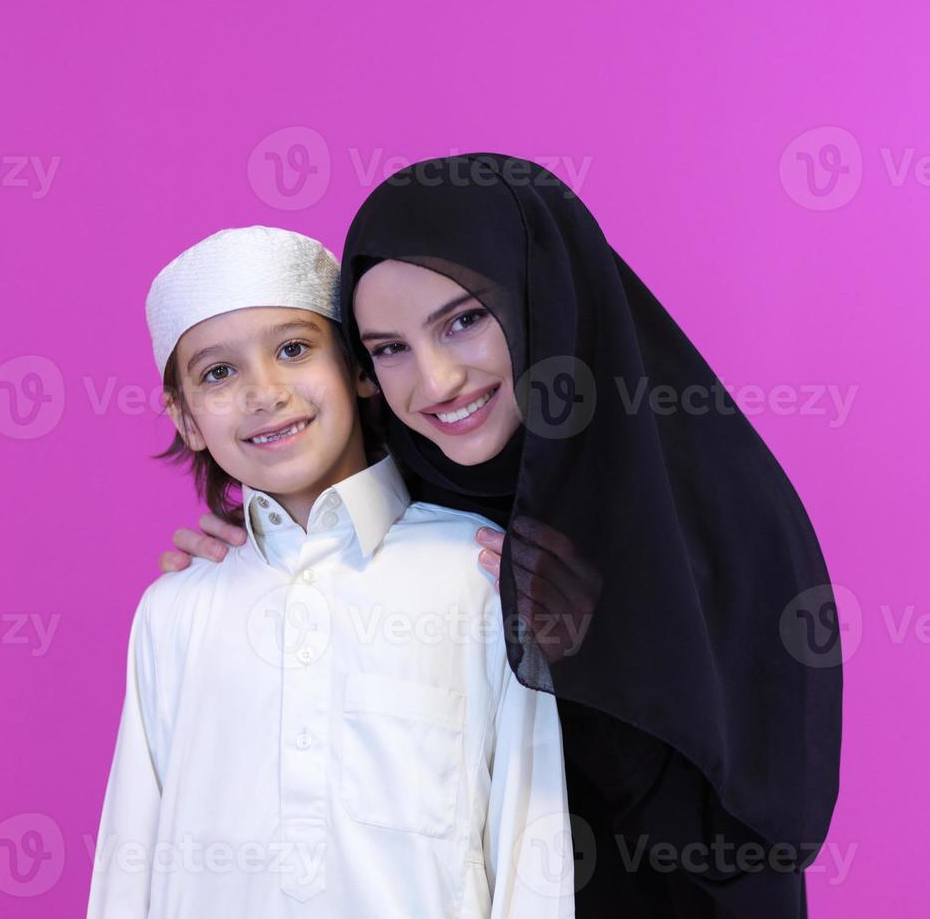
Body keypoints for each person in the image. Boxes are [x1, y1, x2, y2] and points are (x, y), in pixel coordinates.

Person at [159, 157, 844, 917]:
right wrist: (261, 560)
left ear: (543, 299)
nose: (437, 380)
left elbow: (756, 837)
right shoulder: (422, 509)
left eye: (464, 320)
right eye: (388, 348)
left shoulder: (711, 509)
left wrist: (595, 656)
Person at [87, 224, 575, 918]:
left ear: (357, 369)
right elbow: (129, 852)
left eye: (293, 349)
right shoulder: (175, 610)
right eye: (218, 373)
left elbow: (533, 843)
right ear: (186, 418)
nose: (264, 392)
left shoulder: (480, 570)